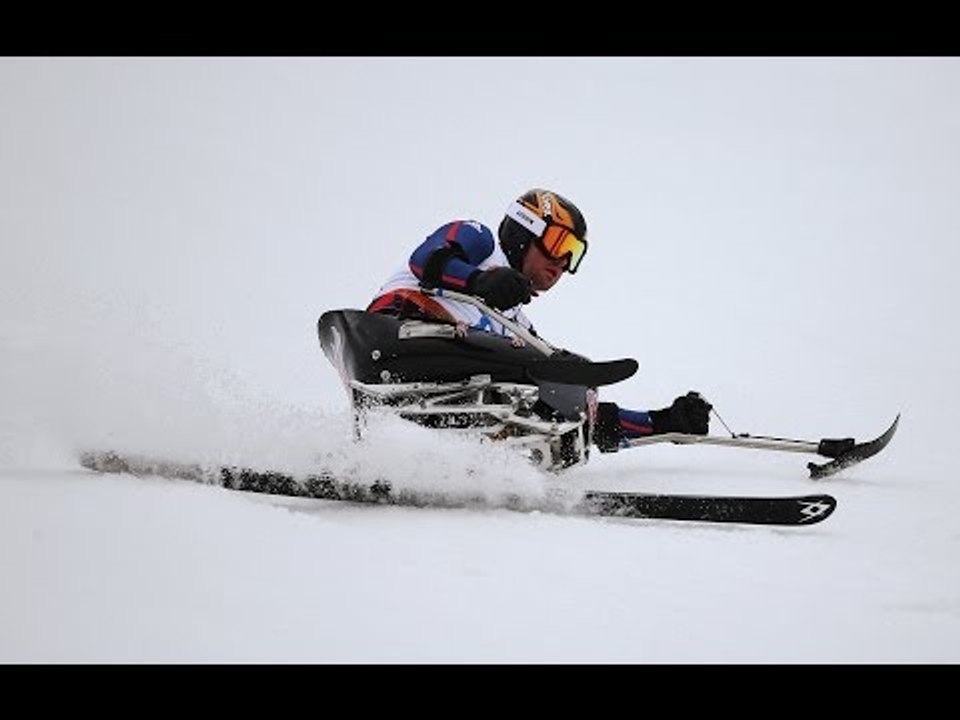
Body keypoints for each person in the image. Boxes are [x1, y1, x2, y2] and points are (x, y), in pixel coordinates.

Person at [366, 188, 712, 452]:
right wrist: (480, 282)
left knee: (559, 394)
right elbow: (425, 260)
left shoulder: (517, 324)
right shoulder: (481, 242)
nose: (562, 263)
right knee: (543, 368)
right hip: (397, 333)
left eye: (573, 254)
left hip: (438, 390)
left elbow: (561, 402)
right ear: (523, 233)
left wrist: (664, 424)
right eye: (558, 243)